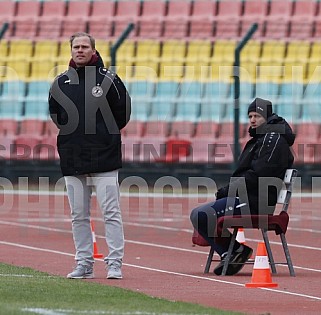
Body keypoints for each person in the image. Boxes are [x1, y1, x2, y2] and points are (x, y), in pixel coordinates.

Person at [48, 32, 131, 279]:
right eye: (76, 47)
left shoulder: (109, 80)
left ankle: (114, 262)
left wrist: (103, 136)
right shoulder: (60, 82)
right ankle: (84, 263)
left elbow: (122, 114)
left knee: (111, 212)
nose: (80, 50)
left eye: (85, 46)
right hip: (73, 157)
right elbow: (56, 115)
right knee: (78, 214)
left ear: (93, 50)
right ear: (71, 50)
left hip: (104, 157)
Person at [190, 97, 295, 276]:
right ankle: (234, 252)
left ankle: (233, 252)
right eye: (250, 116)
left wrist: (228, 190)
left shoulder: (272, 139)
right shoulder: (263, 137)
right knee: (200, 214)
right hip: (249, 197)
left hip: (256, 202)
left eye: (257, 116)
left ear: (268, 117)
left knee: (201, 214)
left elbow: (257, 175)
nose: (253, 120)